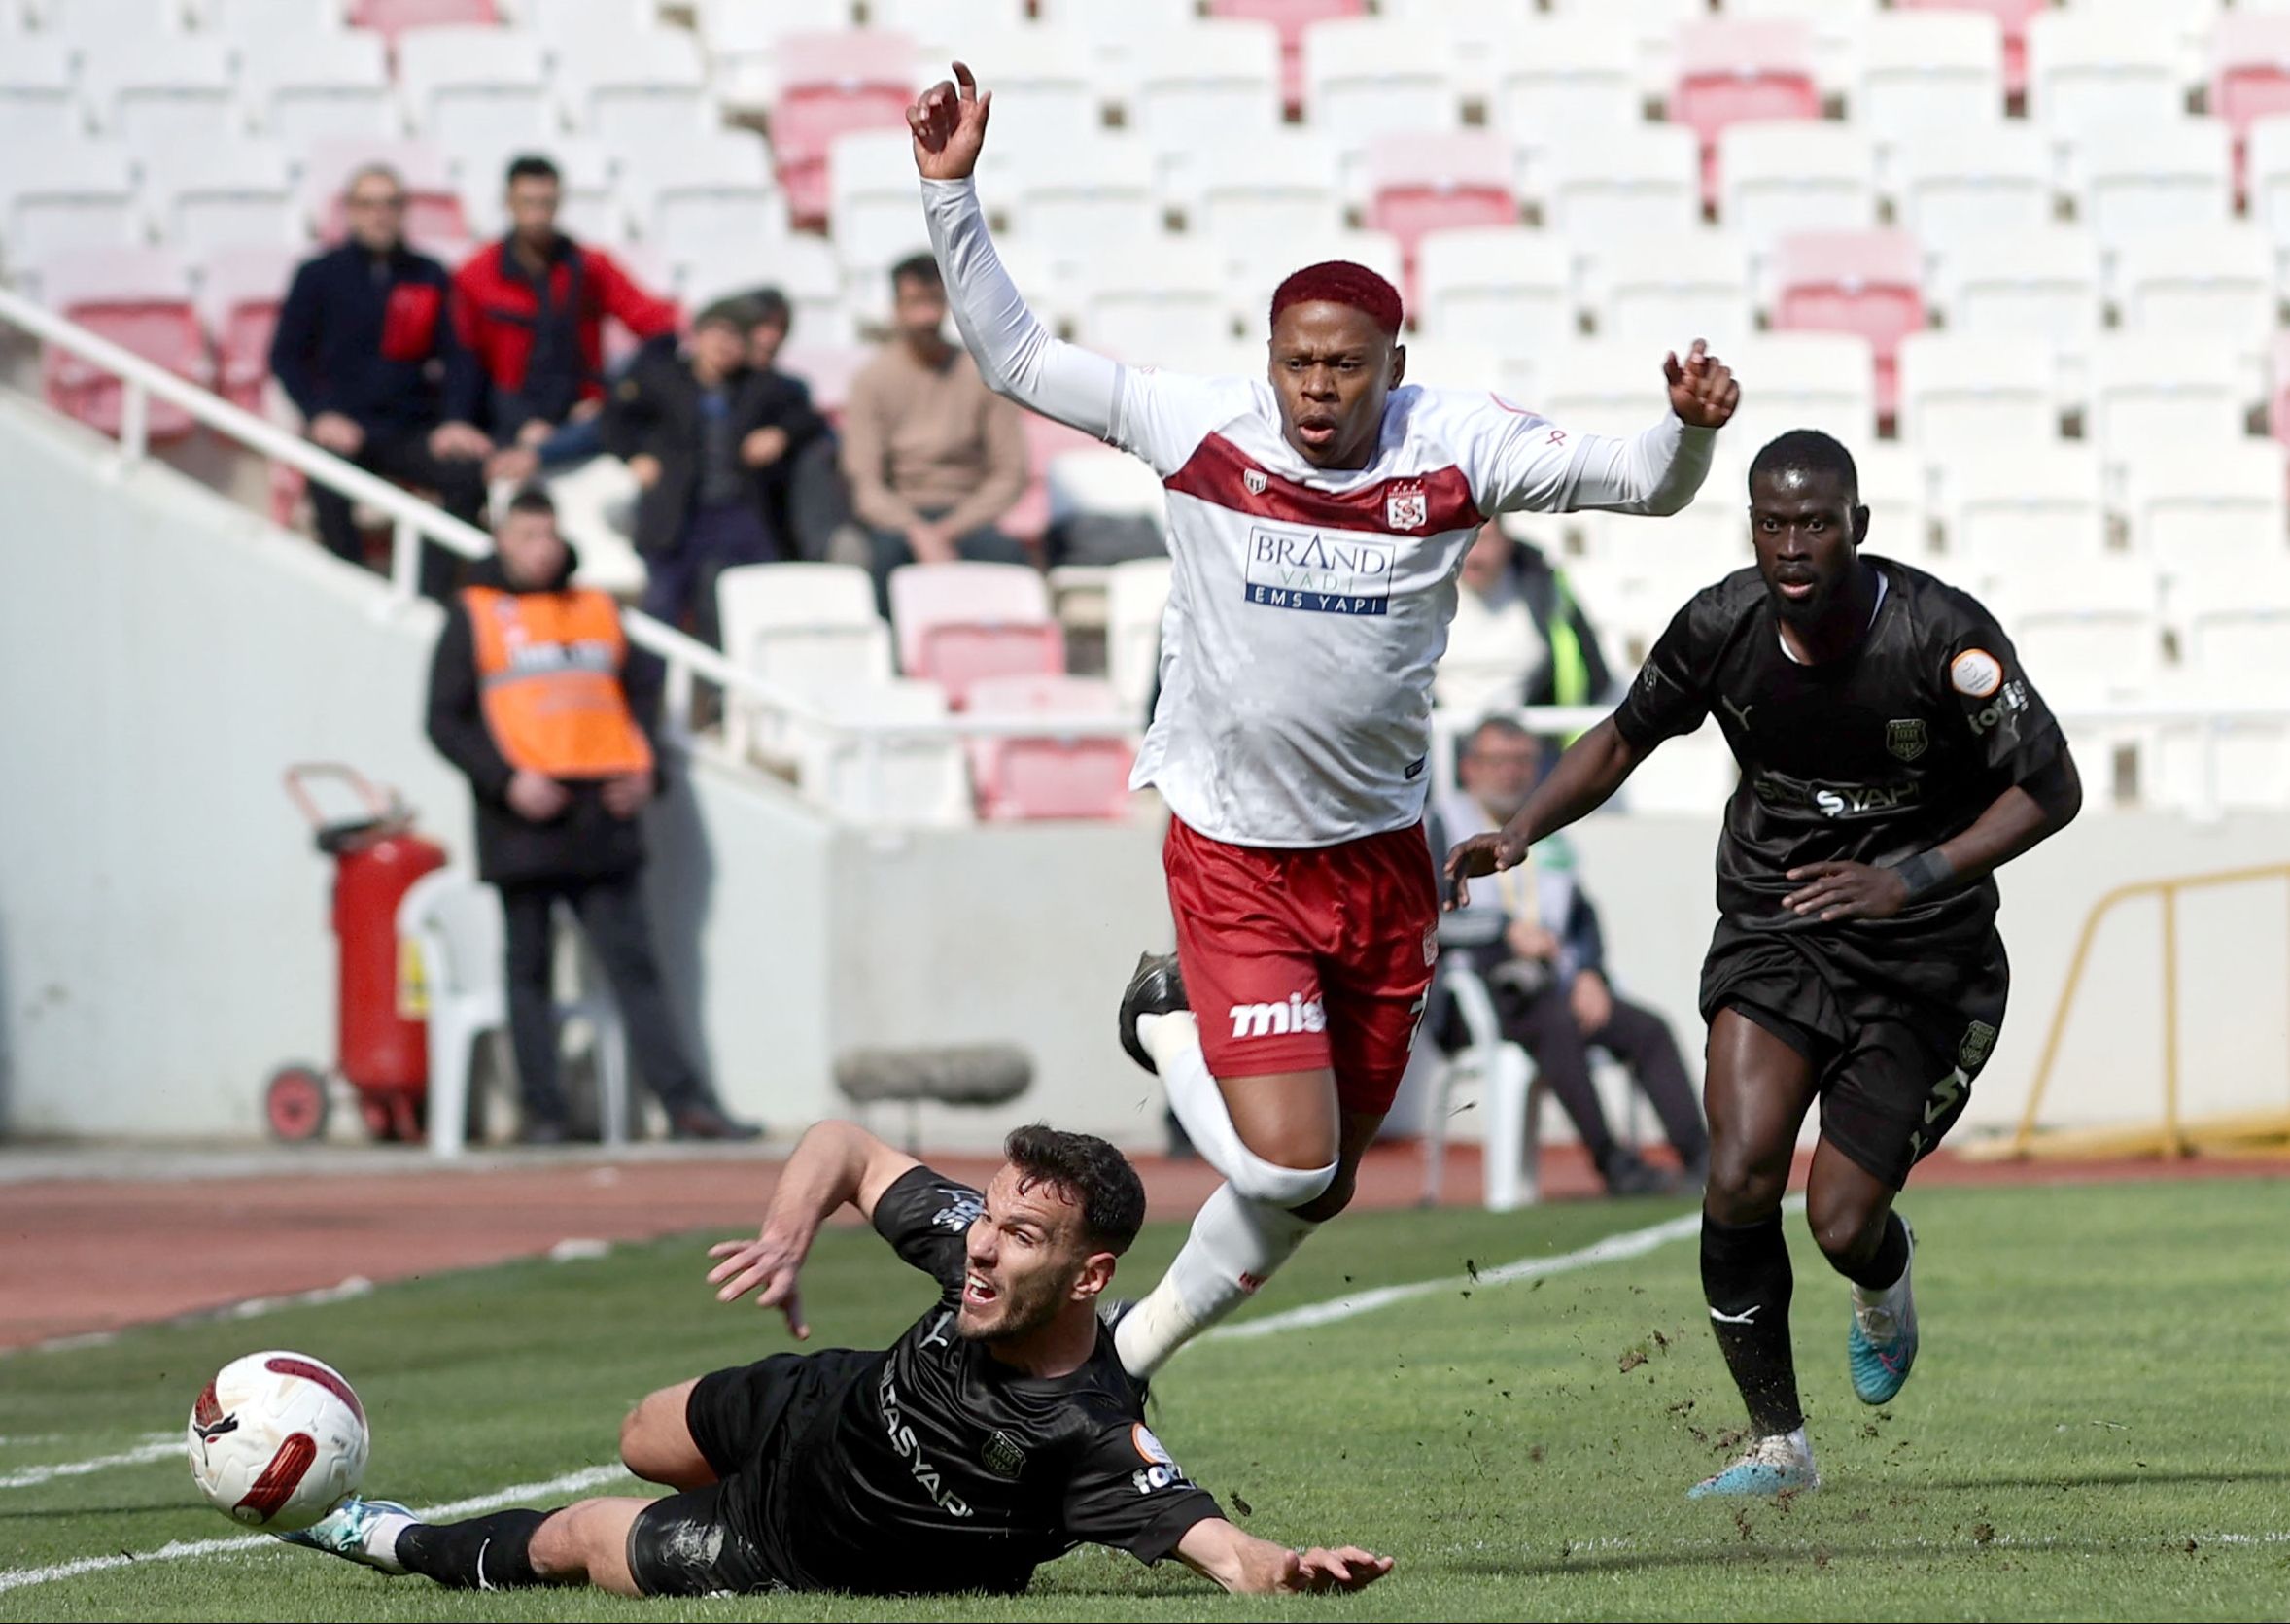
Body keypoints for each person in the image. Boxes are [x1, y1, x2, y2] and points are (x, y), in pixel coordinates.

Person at [899, 64, 1742, 1386]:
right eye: (1298, 362)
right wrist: (951, 191)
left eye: (1346, 365)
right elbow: (1015, 356)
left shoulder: (1454, 445)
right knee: (1288, 1155)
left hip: (1380, 855)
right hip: (1236, 852)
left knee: (1322, 1182)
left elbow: (1640, 481)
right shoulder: (1201, 428)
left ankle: (1121, 1355)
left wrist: (1687, 434)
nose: (1318, 387)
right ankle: (1166, 1019)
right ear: (1269, 360)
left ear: (1393, 367)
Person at [1444, 430, 2083, 1498]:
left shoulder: (1941, 636)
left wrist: (1908, 877)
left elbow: (2048, 788)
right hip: (1775, 931)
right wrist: (1520, 827)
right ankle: (1777, 1444)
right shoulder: (1719, 623)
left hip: (1927, 961)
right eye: (1772, 523)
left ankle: (1883, 1275)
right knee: (1738, 1173)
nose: (1792, 544)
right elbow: (1620, 735)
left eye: (1816, 523)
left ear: (1857, 528)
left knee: (1838, 1220)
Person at [283, 1119, 1394, 1600]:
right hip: (822, 1400)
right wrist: (785, 1233)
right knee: (638, 1434)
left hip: (790, 1545)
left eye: (1020, 1236)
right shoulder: (974, 1244)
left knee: (578, 1535)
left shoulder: (1089, 1434)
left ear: (1089, 1278)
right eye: (989, 1217)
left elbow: (1224, 1551)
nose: (981, 1245)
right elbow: (843, 1147)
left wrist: (1289, 1565)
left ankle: (373, 1531)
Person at [423, 487, 759, 1144]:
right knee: (529, 971)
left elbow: (640, 699)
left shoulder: (597, 607)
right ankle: (545, 1115)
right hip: (523, 818)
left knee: (636, 968)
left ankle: (687, 1105)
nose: (540, 548)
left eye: (548, 533)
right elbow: (443, 718)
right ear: (501, 540)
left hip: (603, 816)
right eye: (526, 535)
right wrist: (505, 780)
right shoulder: (474, 613)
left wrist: (647, 771)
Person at [1427, 715, 1708, 1196]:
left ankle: (1705, 1162)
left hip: (1552, 984)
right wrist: (1503, 932)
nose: (1511, 774)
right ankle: (1615, 1164)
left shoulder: (1544, 831)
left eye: (1522, 762)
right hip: (1477, 989)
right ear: (1469, 768)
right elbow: (1426, 920)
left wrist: (1590, 975)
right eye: (1498, 762)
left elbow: (1582, 918)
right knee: (1554, 1021)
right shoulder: (1442, 825)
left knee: (1647, 1029)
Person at [268, 162, 491, 599]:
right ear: (350, 212)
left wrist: (457, 418)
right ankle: (350, 589)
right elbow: (286, 357)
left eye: (390, 204)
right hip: (344, 427)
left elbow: (461, 356)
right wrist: (320, 415)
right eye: (367, 205)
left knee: (467, 473)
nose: (379, 215)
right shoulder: (318, 275)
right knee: (326, 469)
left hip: (411, 428)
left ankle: (431, 594)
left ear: (404, 211)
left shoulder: (430, 274)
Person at [604, 298, 825, 646]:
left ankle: (736, 691)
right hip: (678, 515)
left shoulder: (762, 386)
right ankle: (652, 694)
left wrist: (779, 434)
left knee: (756, 598)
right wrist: (634, 456)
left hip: (739, 512)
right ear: (698, 336)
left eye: (735, 338)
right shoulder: (663, 378)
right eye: (716, 334)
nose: (723, 345)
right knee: (662, 605)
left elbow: (809, 419)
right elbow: (613, 419)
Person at [448, 155, 679, 483]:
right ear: (508, 203)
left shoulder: (589, 266)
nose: (538, 214)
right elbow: (467, 362)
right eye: (528, 202)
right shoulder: (476, 275)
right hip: (505, 416)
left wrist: (614, 394)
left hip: (579, 413)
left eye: (547, 203)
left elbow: (658, 325)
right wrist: (511, 421)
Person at [840, 250, 1030, 609]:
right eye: (914, 303)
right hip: (900, 516)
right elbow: (864, 482)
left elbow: (1010, 472)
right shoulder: (872, 381)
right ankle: (892, 661)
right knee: (881, 563)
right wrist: (916, 532)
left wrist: (948, 531)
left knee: (1010, 561)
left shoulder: (982, 374)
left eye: (933, 302)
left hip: (966, 513)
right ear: (895, 308)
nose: (925, 316)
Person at [1436, 520, 1615, 730]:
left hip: (1532, 743)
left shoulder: (1544, 587)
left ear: (1506, 542)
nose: (1474, 555)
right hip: (1438, 744)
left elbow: (1594, 670)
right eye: (1462, 542)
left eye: (1482, 540)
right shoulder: (1417, 595)